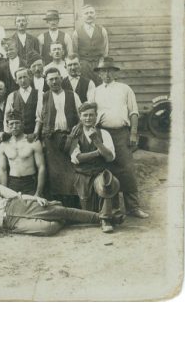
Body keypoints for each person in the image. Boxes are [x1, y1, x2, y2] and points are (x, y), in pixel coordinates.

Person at [0, 164, 119, 236]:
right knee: (49, 228)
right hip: (9, 223)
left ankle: (103, 217)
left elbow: (17, 195)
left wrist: (37, 199)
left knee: (60, 211)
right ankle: (60, 214)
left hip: (17, 206)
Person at [92, 57, 148, 218]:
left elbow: (134, 112)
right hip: (104, 134)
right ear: (100, 74)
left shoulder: (125, 89)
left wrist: (133, 133)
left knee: (127, 170)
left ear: (115, 72)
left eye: (110, 71)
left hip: (122, 133)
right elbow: (90, 114)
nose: (107, 74)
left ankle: (133, 207)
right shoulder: (95, 91)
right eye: (103, 71)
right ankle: (114, 207)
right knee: (109, 170)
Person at [65, 102, 121, 233]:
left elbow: (110, 157)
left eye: (91, 115)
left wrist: (97, 141)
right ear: (80, 117)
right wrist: (97, 152)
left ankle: (105, 219)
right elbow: (77, 158)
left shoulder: (104, 133)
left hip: (99, 172)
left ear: (96, 116)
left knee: (107, 182)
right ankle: (99, 217)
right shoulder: (76, 134)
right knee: (87, 212)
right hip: (83, 174)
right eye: (85, 115)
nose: (88, 118)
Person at [34, 67, 81, 200]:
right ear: (46, 81)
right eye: (51, 79)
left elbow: (82, 115)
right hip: (51, 140)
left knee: (72, 172)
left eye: (56, 78)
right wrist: (36, 134)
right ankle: (59, 204)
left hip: (70, 138)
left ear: (61, 78)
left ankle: (74, 204)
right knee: (55, 175)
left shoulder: (72, 95)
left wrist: (79, 125)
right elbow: (39, 118)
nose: (54, 82)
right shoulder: (43, 97)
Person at [0, 110, 45, 197]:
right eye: (11, 124)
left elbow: (41, 167)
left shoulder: (33, 142)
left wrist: (38, 192)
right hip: (12, 183)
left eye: (17, 123)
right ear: (8, 125)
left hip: (30, 182)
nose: (14, 126)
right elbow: (3, 170)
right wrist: (4, 192)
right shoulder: (4, 145)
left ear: (22, 123)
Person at [72, 5, 109, 83]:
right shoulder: (76, 32)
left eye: (91, 12)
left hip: (99, 63)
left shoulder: (102, 30)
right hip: (84, 65)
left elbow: (105, 50)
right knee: (86, 86)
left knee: (100, 85)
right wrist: (80, 65)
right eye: (86, 13)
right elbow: (75, 51)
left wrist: (102, 63)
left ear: (95, 15)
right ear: (82, 16)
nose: (89, 15)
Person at [4, 67, 39, 136]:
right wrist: (8, 134)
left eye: (25, 77)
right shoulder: (12, 96)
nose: (23, 80)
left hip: (35, 134)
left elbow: (40, 117)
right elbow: (7, 118)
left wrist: (35, 133)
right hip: (18, 135)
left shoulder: (39, 94)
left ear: (30, 77)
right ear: (16, 81)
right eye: (20, 78)